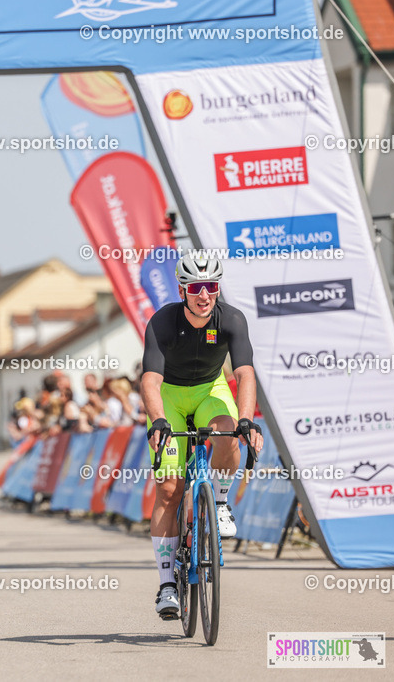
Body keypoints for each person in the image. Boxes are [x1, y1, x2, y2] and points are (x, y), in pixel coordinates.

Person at [141, 254, 264, 620]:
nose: (204, 295)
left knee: (228, 431)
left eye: (211, 286)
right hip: (171, 396)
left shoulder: (232, 319)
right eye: (196, 288)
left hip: (210, 390)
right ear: (183, 290)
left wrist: (245, 420)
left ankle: (221, 501)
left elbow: (244, 374)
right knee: (168, 489)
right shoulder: (163, 321)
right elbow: (150, 380)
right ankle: (166, 584)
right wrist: (159, 420)